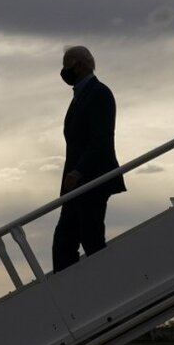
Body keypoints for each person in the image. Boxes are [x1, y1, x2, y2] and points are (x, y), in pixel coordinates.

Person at [52, 45, 126, 273]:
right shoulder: (81, 95)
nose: (64, 71)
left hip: (91, 179)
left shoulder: (99, 93)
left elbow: (101, 140)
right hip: (76, 184)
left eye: (67, 65)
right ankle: (71, 290)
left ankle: (104, 283)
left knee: (90, 239)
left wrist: (79, 171)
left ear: (80, 65)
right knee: (64, 244)